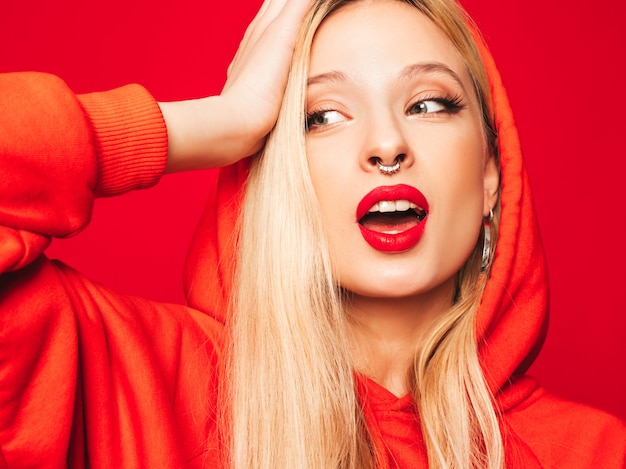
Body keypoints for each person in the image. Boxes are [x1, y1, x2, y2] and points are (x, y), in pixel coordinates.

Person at [1, 0, 624, 468]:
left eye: (429, 104)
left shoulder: (591, 452)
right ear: (275, 169)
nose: (386, 145)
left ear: (493, 174)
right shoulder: (140, 385)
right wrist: (221, 119)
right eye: (321, 116)